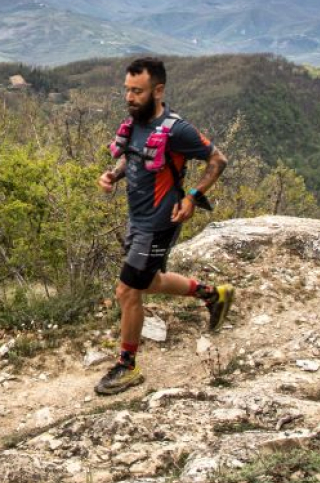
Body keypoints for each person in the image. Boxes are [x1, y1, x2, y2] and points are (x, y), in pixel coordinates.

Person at [94, 56, 232, 396]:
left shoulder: (177, 130)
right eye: (127, 90)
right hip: (136, 217)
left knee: (127, 290)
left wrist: (192, 197)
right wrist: (114, 174)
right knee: (150, 281)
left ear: (158, 90)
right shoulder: (137, 123)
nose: (129, 97)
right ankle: (214, 294)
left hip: (159, 221)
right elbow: (136, 156)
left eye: (137, 91)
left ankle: (128, 365)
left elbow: (218, 159)